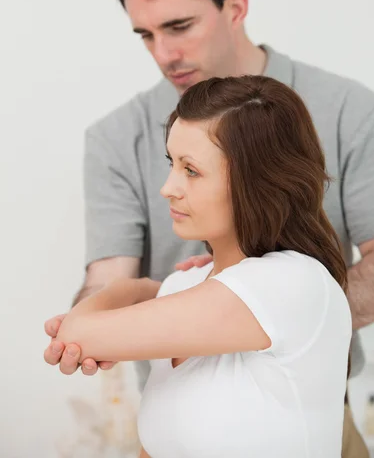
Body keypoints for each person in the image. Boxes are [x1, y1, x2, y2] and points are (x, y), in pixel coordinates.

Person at [44, 0, 374, 457]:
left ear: (235, 7)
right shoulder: (115, 138)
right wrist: (179, 304)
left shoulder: (349, 112)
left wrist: (257, 317)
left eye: (179, 27)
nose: (163, 54)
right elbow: (113, 286)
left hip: (309, 409)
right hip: (171, 423)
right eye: (146, 35)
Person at [47, 75, 353, 458]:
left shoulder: (291, 281)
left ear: (258, 182)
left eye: (190, 170)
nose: (168, 187)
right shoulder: (186, 284)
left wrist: (134, 289)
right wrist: (162, 289)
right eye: (171, 163)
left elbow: (77, 333)